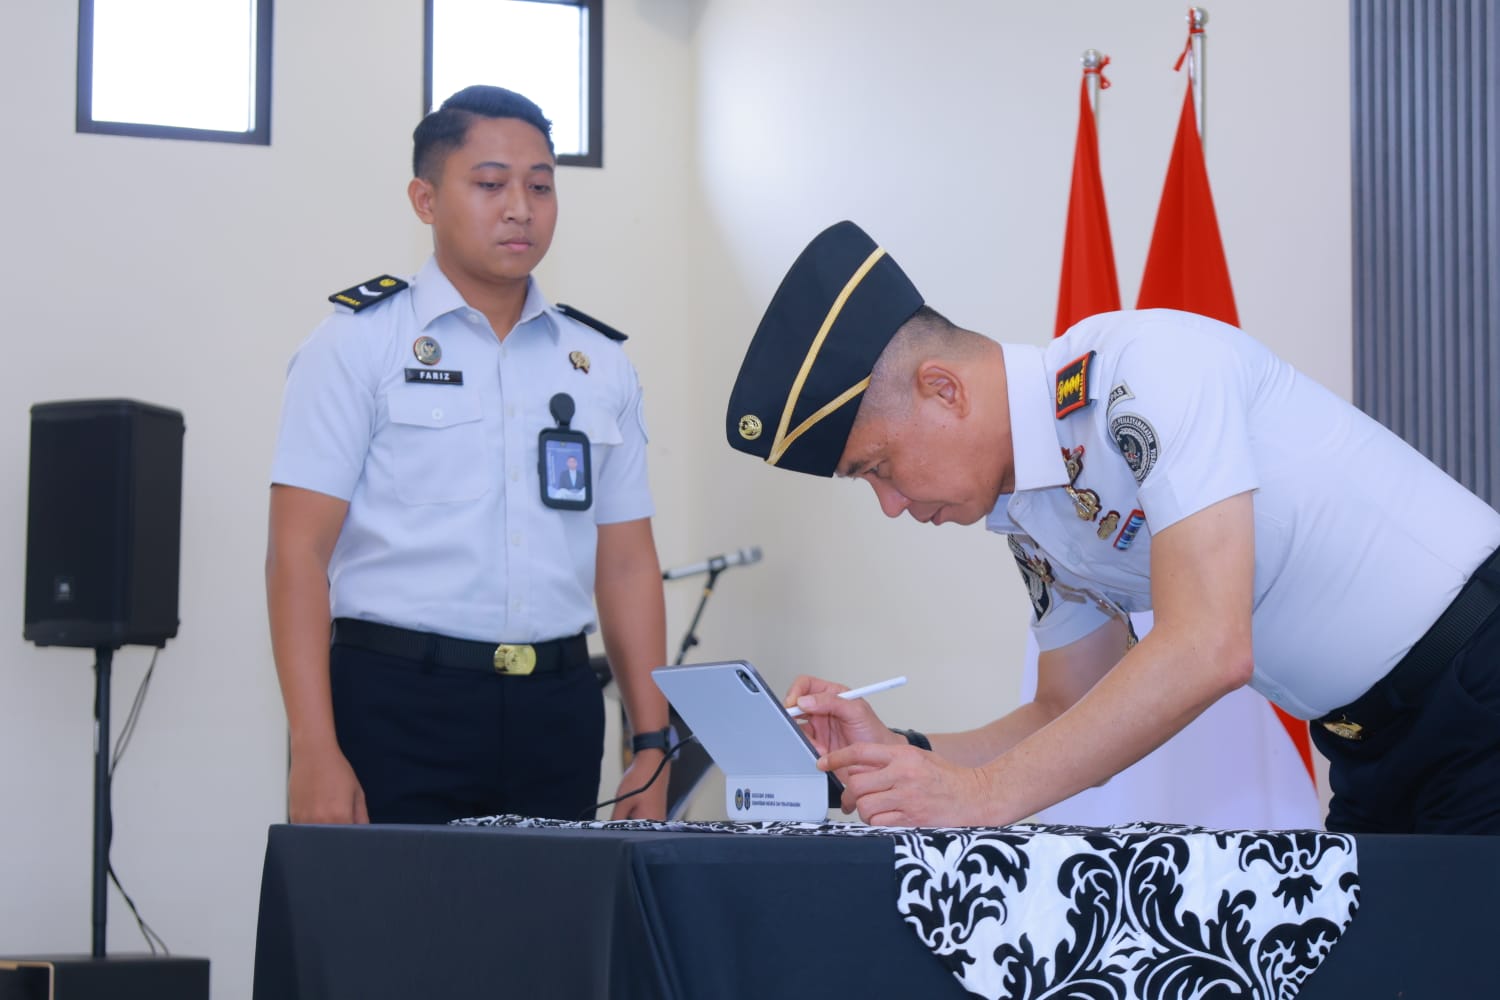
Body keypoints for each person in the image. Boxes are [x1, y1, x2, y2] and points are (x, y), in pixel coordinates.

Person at [724, 219, 1500, 834]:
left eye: (879, 467)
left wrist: (983, 795)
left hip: (1478, 677)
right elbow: (1065, 708)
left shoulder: (1140, 372)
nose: (891, 506)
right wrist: (898, 755)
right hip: (1371, 747)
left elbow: (1208, 646)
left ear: (943, 390)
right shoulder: (1027, 516)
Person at [266, 85, 672, 825]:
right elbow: (297, 554)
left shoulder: (599, 363)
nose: (520, 208)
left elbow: (626, 563)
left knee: (553, 908)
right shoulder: (358, 344)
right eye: (490, 184)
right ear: (425, 199)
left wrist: (652, 740)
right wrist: (314, 747)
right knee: (389, 906)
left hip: (557, 710)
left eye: (540, 187)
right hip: (396, 705)